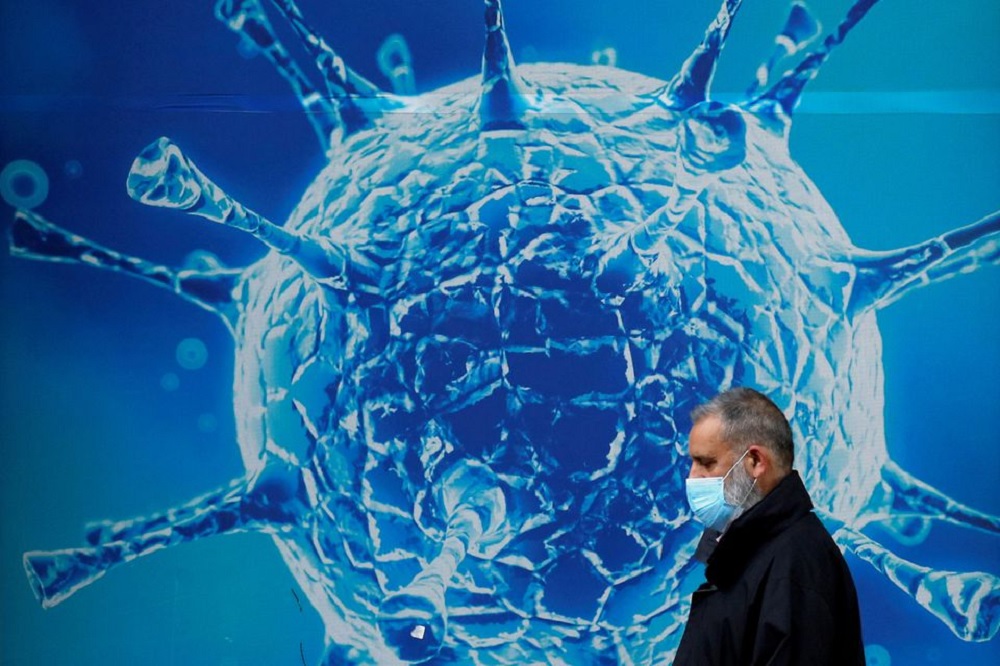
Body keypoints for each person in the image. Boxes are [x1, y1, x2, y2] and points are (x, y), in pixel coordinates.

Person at [673, 387, 865, 665]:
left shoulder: (795, 564)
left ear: (755, 462)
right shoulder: (746, 560)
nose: (692, 477)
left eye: (706, 462)